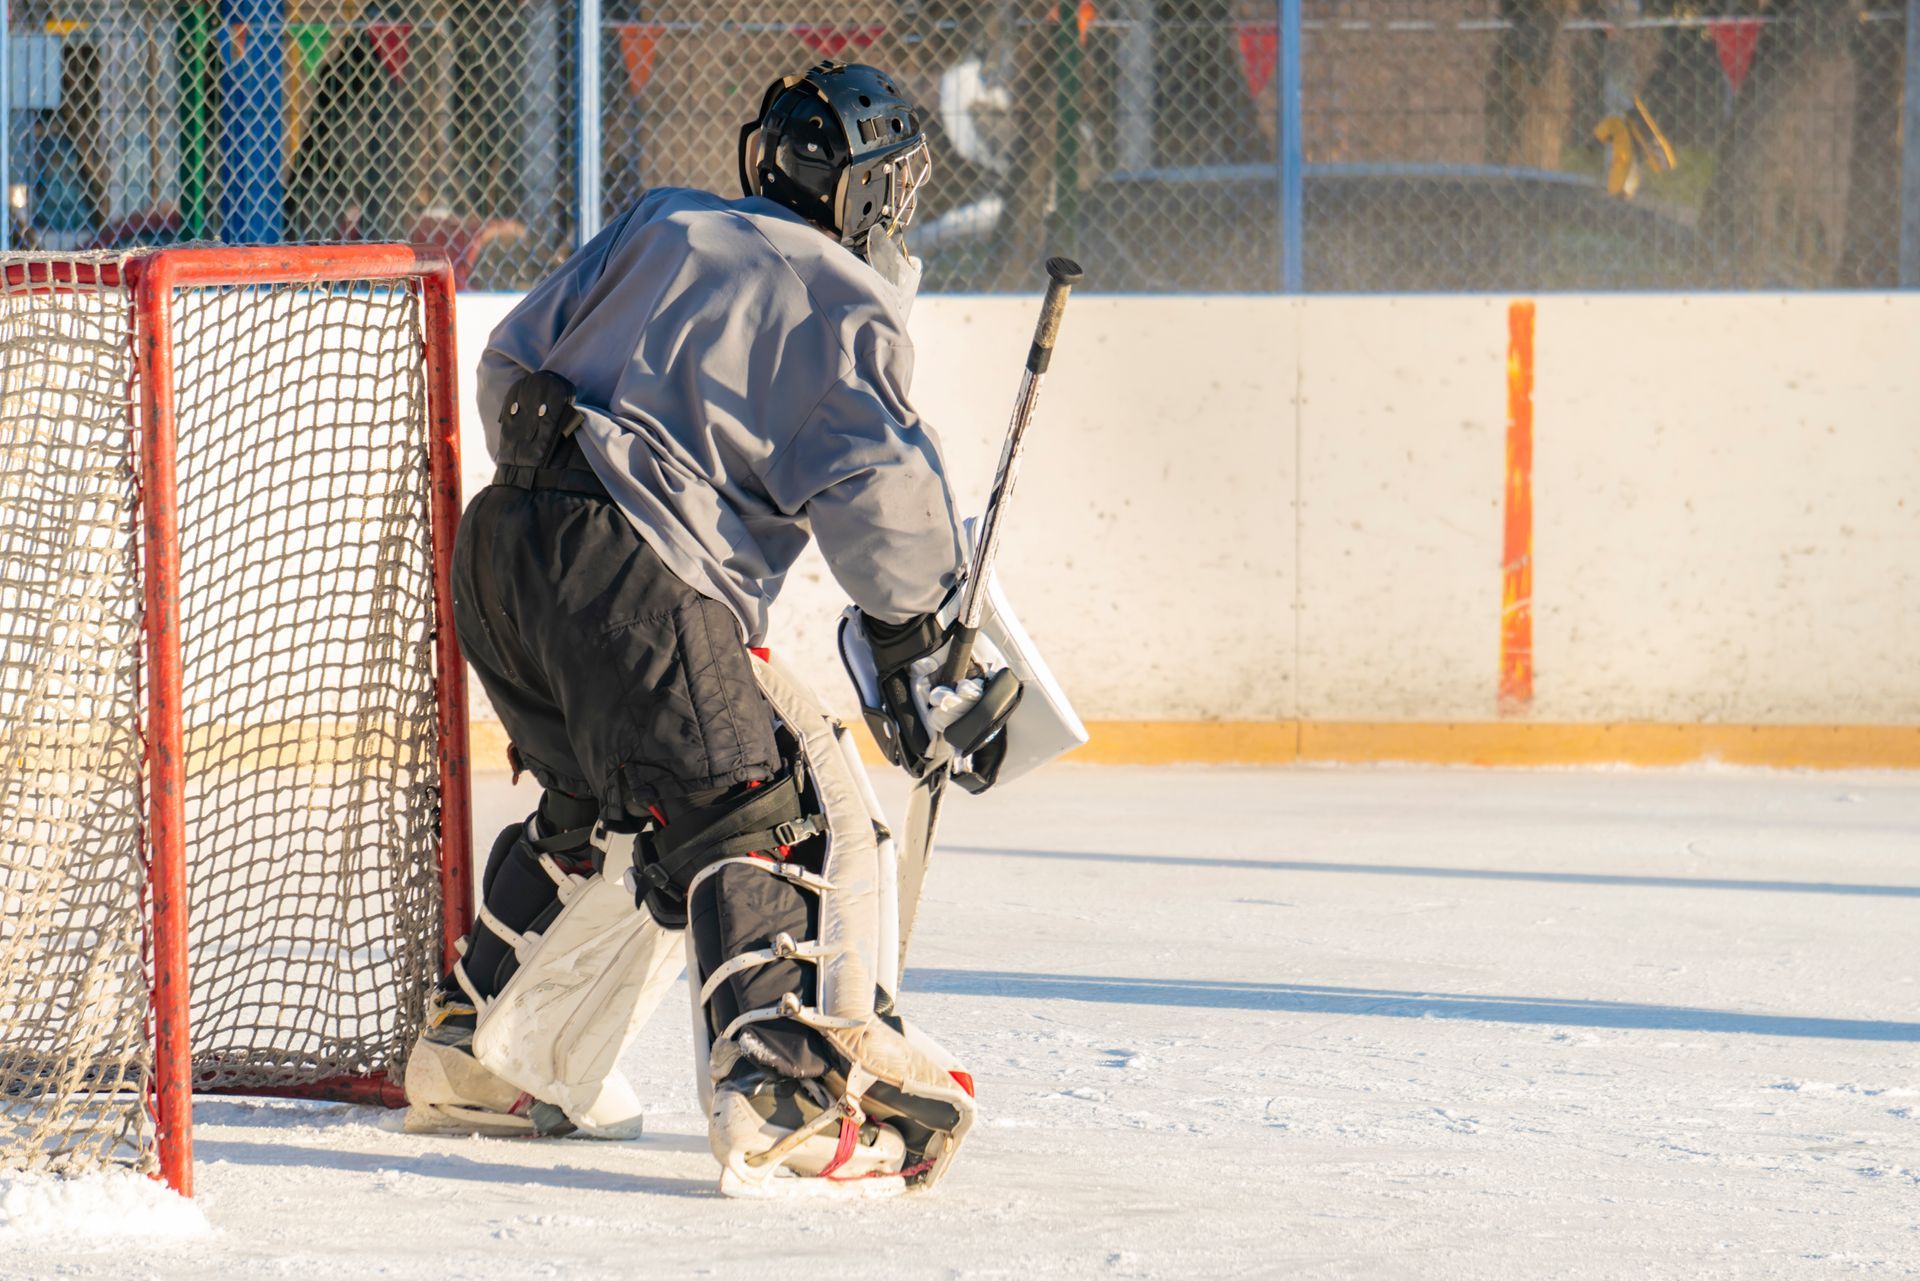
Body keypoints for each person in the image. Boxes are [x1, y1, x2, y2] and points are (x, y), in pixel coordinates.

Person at [401, 61, 1018, 1196]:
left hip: (499, 549)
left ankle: (468, 1043)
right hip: (634, 579)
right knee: (754, 805)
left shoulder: (661, 221)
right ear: (871, 194)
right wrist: (920, 634)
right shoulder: (843, 297)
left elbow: (508, 363)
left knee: (597, 805)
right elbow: (882, 497)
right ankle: (775, 1095)